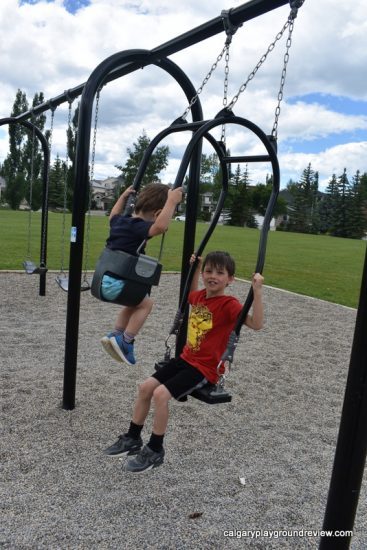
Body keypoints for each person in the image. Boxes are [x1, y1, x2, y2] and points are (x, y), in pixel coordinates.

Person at [103, 250, 265, 473]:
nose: (212, 276)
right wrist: (195, 268)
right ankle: (132, 438)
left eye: (220, 273)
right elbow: (189, 293)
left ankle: (155, 450)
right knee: (145, 388)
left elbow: (256, 324)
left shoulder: (230, 305)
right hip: (186, 359)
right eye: (208, 271)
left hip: (205, 368)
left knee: (161, 394)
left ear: (230, 280)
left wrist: (257, 292)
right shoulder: (198, 297)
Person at [101, 183, 183, 366]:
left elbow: (112, 215)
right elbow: (159, 228)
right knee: (146, 304)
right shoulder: (139, 227)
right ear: (156, 214)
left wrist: (122, 197)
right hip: (118, 287)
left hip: (105, 282)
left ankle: (116, 334)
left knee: (134, 303)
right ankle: (127, 341)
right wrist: (171, 201)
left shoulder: (120, 222)